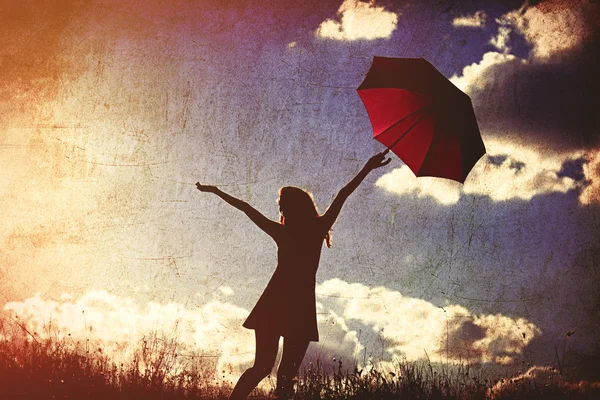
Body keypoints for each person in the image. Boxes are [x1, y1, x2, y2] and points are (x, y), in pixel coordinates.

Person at [196, 151, 391, 399]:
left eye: (282, 205)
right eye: (281, 206)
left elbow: (247, 208)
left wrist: (216, 191)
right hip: (292, 307)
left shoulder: (290, 231)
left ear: (291, 208)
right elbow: (342, 194)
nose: (281, 209)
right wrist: (367, 167)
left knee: (269, 370)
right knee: (280, 374)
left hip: (279, 305)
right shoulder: (313, 228)